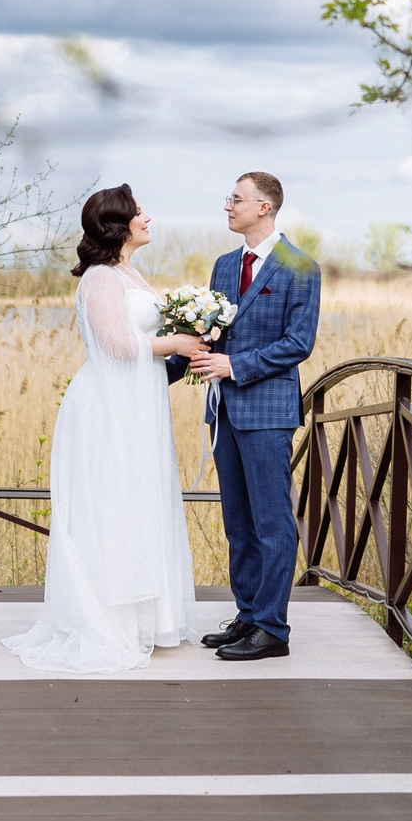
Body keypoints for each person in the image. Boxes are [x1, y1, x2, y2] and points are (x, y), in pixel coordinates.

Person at [1, 184, 201, 673]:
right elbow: (114, 343)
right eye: (139, 211)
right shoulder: (99, 279)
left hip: (137, 401)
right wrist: (176, 342)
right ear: (119, 224)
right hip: (109, 404)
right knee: (112, 500)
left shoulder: (127, 272)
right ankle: (106, 620)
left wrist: (193, 332)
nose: (147, 217)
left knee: (139, 499)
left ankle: (144, 617)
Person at [177, 171, 321, 662]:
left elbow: (298, 343)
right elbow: (210, 334)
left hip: (266, 411)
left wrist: (234, 366)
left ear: (264, 207)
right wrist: (154, 371)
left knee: (272, 522)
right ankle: (248, 615)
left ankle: (273, 630)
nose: (227, 206)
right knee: (238, 521)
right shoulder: (222, 266)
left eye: (236, 199)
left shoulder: (301, 267)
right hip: (222, 413)